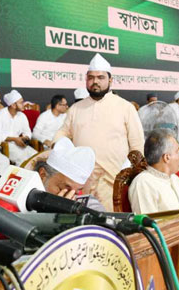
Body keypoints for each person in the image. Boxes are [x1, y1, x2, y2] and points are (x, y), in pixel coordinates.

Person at [53, 53, 144, 210]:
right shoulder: (75, 109)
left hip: (114, 181)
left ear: (110, 80)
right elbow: (62, 133)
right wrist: (59, 146)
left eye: (100, 77)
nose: (95, 81)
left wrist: (128, 170)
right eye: (91, 77)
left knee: (111, 226)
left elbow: (137, 144)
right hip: (81, 182)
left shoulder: (125, 107)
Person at [34, 137, 104, 211]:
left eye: (76, 192)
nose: (69, 198)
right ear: (43, 175)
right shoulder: (22, 198)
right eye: (63, 190)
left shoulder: (87, 203)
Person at [0, 90, 35, 166]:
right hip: (4, 146)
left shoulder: (22, 116)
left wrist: (25, 138)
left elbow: (27, 131)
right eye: (21, 102)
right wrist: (14, 139)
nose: (23, 104)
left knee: (36, 156)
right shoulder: (0, 115)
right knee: (23, 159)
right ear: (13, 105)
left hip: (19, 144)